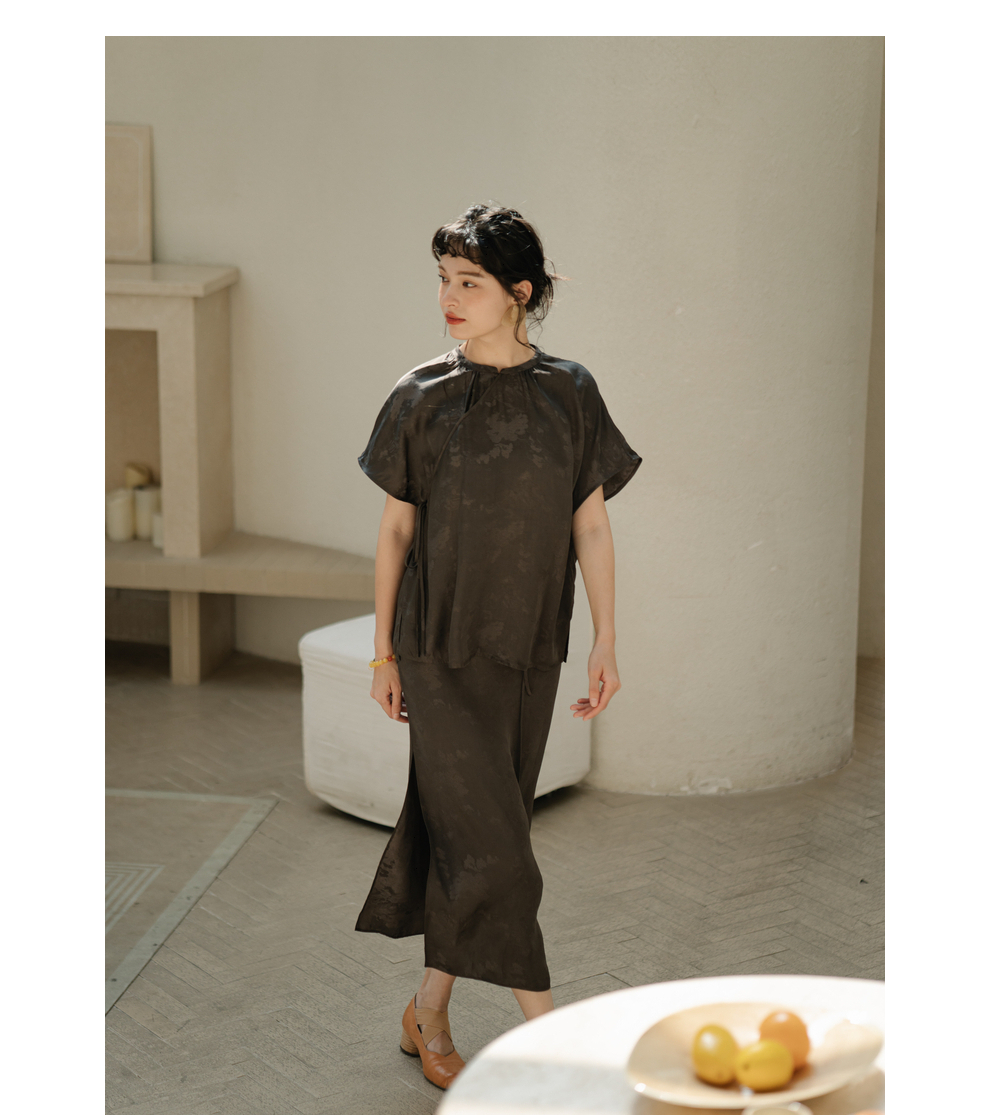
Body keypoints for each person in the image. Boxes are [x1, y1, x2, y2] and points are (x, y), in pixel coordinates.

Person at [354, 204, 642, 1090]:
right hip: (437, 649)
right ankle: (554, 1041)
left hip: (528, 650)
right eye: (443, 279)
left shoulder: (571, 393)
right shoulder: (418, 395)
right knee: (499, 848)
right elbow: (395, 532)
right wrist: (383, 653)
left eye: (468, 281)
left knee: (479, 835)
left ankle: (428, 1008)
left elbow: (589, 526)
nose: (449, 296)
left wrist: (606, 638)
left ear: (519, 291)